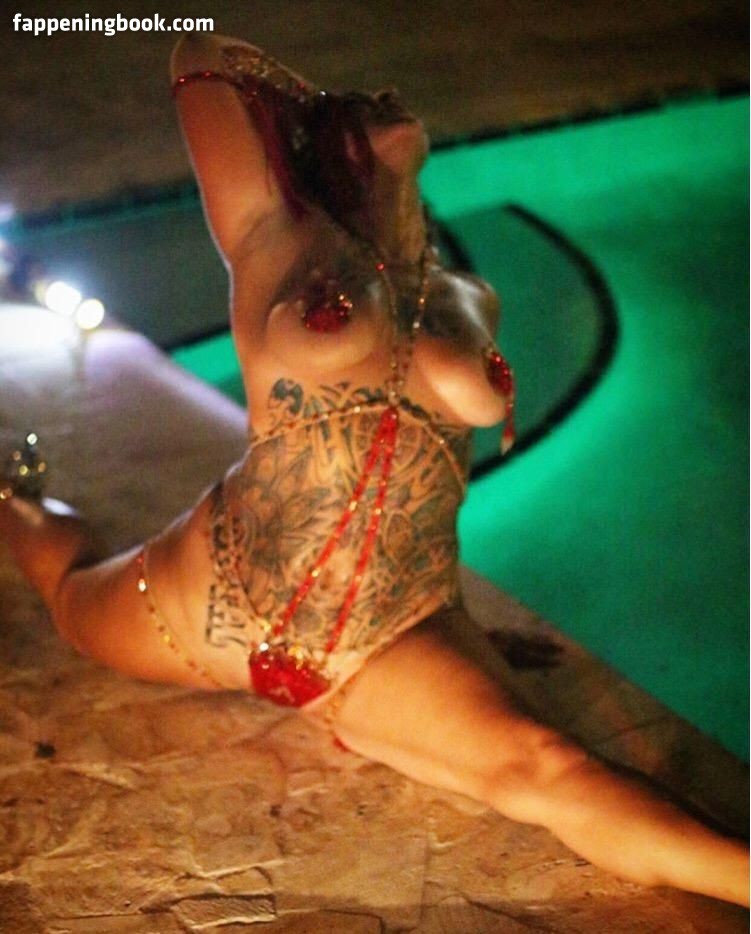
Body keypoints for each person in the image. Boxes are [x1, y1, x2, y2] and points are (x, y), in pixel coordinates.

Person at [0, 31, 747, 907]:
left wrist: (464, 631)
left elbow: (429, 473)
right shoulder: (279, 239)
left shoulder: (464, 294)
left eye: (387, 100)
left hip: (390, 632)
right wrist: (319, 112)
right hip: (218, 593)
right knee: (72, 594)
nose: (387, 93)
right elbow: (199, 62)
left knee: (545, 765)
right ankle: (14, 498)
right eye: (365, 102)